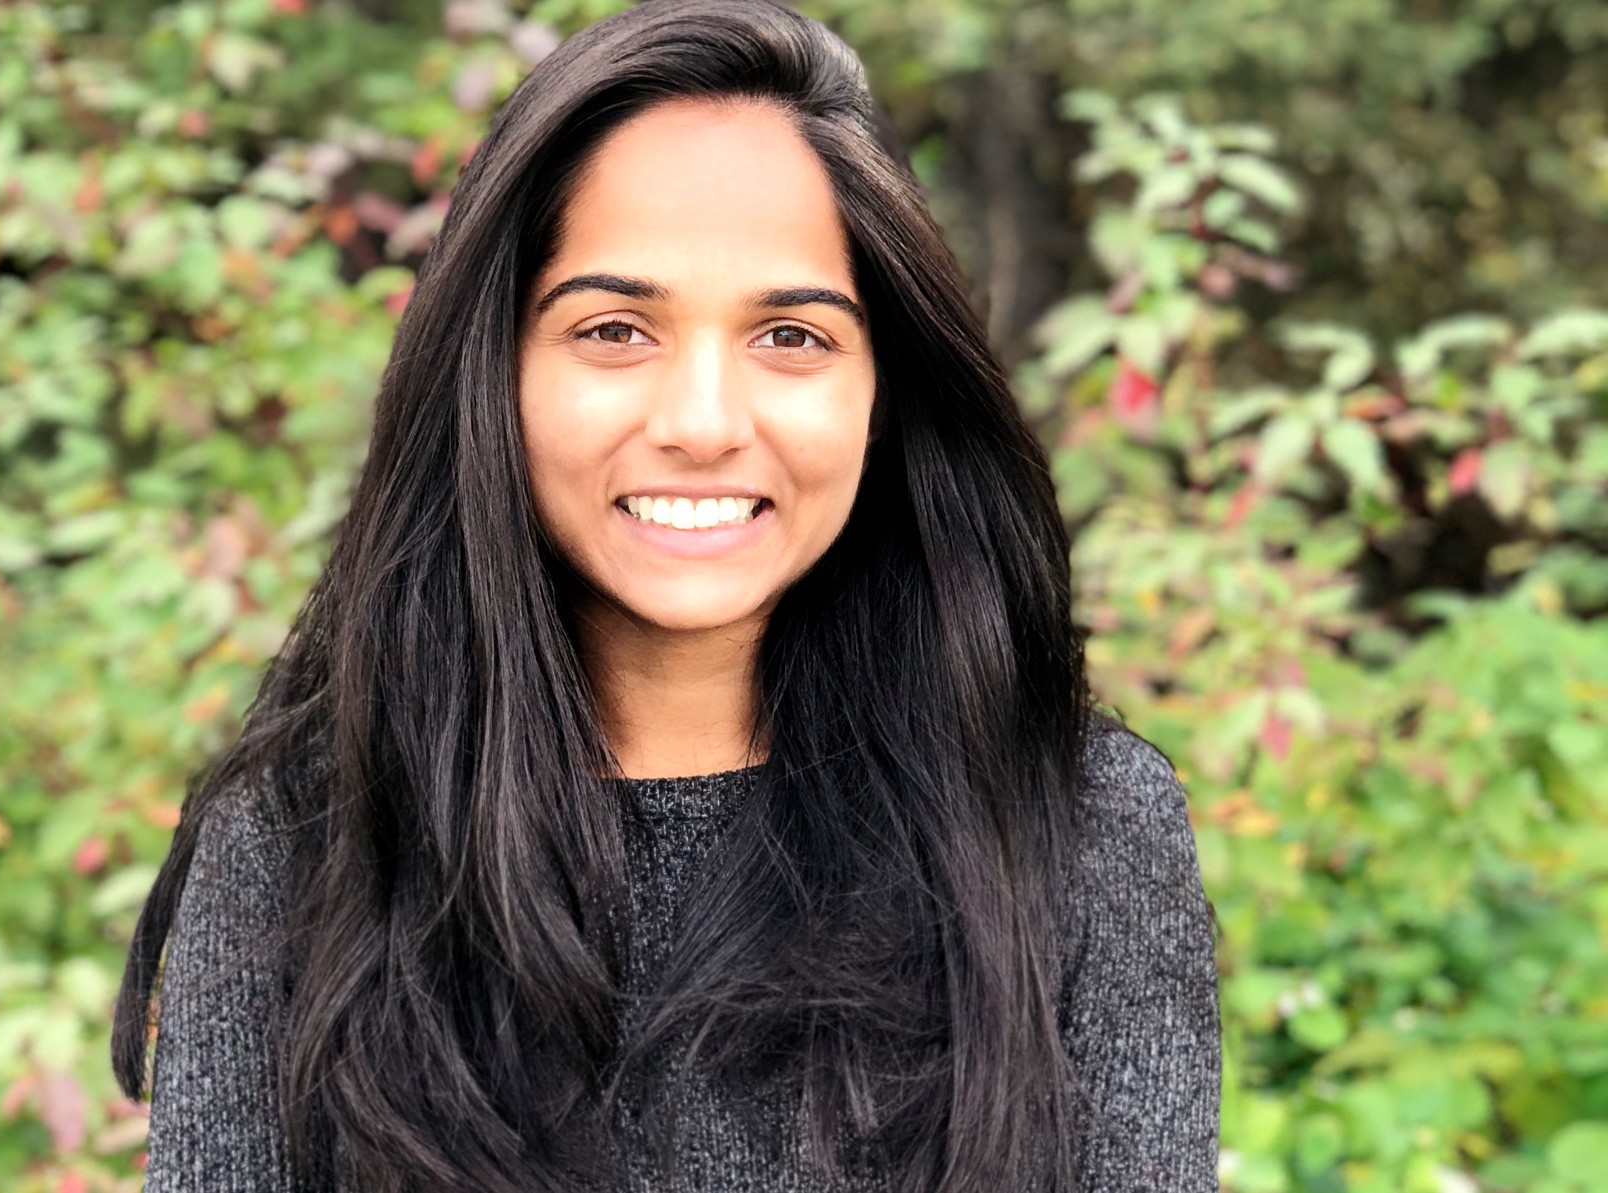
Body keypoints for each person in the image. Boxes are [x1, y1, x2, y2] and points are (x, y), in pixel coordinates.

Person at [109, 1, 1221, 1190]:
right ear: (496, 371)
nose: (701, 424)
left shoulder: (1074, 825)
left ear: (885, 391)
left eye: (792, 335)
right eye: (615, 328)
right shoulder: (304, 843)